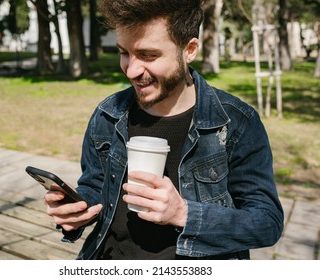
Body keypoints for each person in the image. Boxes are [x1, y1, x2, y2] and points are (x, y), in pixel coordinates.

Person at [44, 0, 284, 260]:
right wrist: (78, 209)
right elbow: (95, 186)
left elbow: (267, 223)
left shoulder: (237, 122)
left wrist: (183, 213)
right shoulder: (108, 114)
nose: (132, 70)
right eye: (124, 52)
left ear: (189, 49)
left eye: (148, 55)